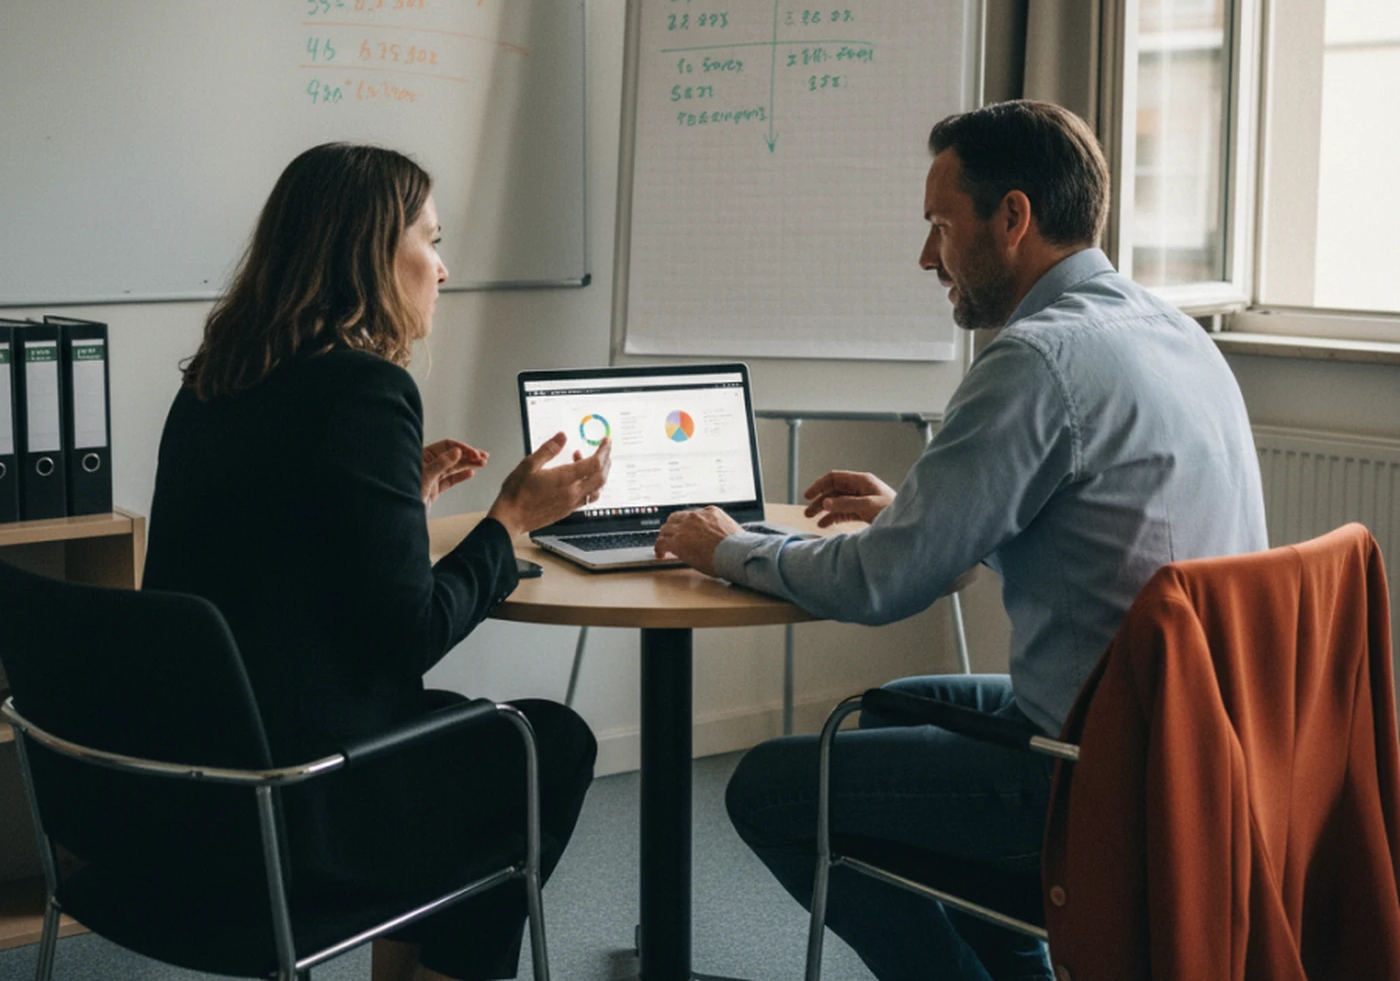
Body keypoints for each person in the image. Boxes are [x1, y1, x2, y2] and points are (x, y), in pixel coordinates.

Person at [654, 100, 1267, 981]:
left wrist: (727, 547)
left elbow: (878, 586)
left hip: (1096, 774)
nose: (926, 256)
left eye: (941, 224)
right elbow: (1076, 520)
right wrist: (921, 509)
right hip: (1195, 745)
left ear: (1012, 218)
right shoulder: (1170, 331)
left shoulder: (1035, 360)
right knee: (896, 706)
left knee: (771, 787)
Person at [143, 143, 611, 981]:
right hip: (301, 794)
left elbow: (276, 552)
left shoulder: (219, 377)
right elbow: (410, 635)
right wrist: (510, 520)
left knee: (476, 739)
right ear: (368, 249)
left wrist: (401, 495)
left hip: (190, 784)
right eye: (430, 239)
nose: (444, 266)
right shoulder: (364, 389)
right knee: (544, 745)